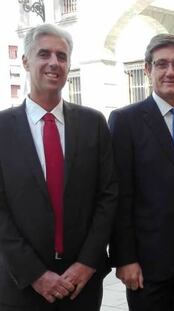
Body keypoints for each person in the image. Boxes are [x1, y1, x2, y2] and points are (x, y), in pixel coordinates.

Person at [0, 24, 118, 310]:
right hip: (22, 285)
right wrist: (36, 275)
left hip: (82, 285)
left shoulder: (93, 124)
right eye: (44, 54)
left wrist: (88, 263)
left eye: (62, 56)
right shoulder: (2, 128)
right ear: (26, 61)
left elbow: (108, 195)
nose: (54, 63)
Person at [108, 34, 174, 311]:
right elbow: (120, 194)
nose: (170, 72)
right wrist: (125, 258)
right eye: (161, 64)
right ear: (148, 69)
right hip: (147, 263)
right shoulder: (125, 121)